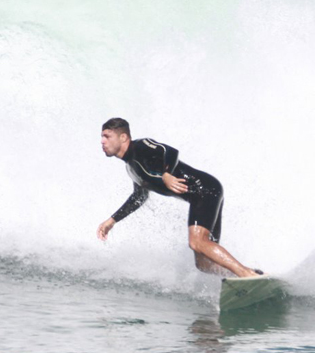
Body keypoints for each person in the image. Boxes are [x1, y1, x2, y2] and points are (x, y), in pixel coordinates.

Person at [97, 117, 261, 278]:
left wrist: (166, 174)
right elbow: (139, 197)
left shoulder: (140, 146)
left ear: (123, 137)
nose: (102, 141)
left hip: (205, 188)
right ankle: (246, 275)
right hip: (199, 197)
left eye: (107, 136)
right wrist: (112, 220)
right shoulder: (132, 168)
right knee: (203, 264)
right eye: (102, 137)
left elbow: (169, 151)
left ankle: (246, 274)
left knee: (197, 242)